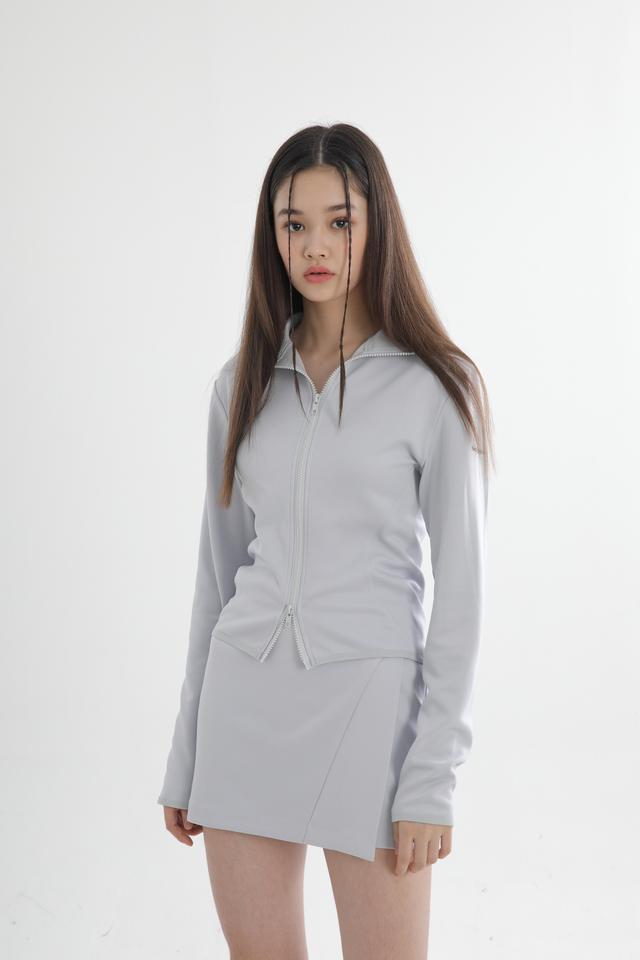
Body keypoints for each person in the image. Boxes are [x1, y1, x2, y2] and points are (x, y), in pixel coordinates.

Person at [157, 122, 494, 959]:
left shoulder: (436, 387)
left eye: (339, 221)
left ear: (378, 226)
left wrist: (432, 776)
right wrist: (187, 751)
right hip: (244, 706)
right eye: (293, 223)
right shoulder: (239, 386)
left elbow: (463, 598)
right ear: (270, 235)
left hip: (371, 717)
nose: (315, 246)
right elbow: (216, 578)